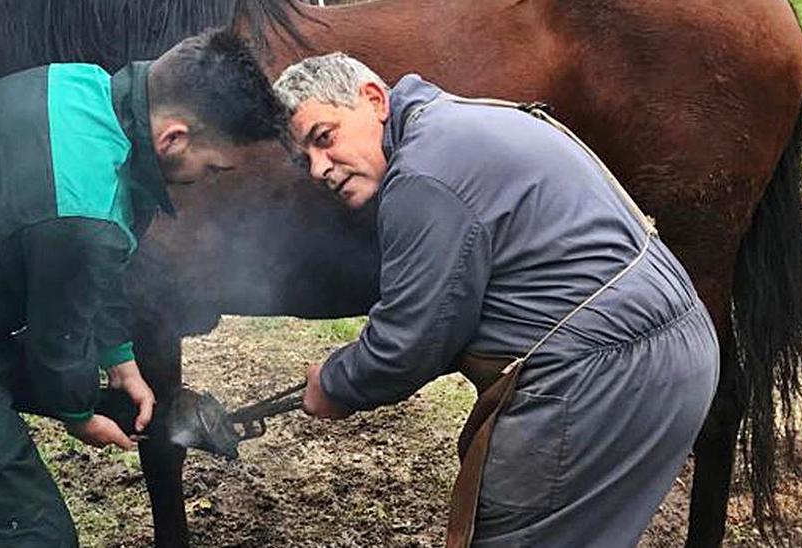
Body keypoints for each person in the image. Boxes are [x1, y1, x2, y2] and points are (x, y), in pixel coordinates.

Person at [0, 29, 285, 547]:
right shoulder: (82, 215)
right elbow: (57, 340)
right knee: (31, 537)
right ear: (173, 138)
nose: (210, 179)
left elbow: (92, 273)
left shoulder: (85, 91)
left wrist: (119, 359)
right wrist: (80, 414)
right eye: (214, 166)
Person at [276, 53, 719, 547]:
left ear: (375, 100)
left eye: (324, 137)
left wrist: (334, 384)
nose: (318, 169)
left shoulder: (423, 177)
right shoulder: (460, 122)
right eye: (303, 160)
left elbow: (406, 344)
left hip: (603, 375)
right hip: (677, 351)